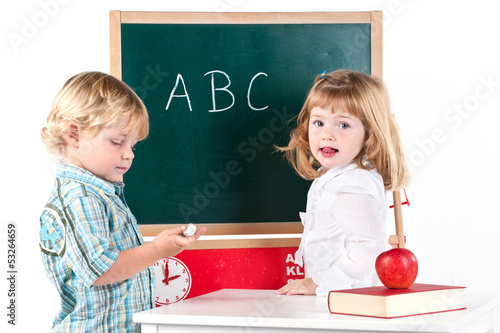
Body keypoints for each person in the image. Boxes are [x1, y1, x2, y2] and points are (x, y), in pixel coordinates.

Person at [39, 71, 206, 332]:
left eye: (133, 145)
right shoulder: (79, 197)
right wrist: (158, 250)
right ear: (74, 135)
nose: (129, 155)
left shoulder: (101, 193)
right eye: (117, 142)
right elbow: (101, 270)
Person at [277, 70, 409, 296]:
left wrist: (320, 282)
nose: (327, 134)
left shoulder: (352, 185)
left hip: (348, 303)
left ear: (370, 133)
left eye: (344, 125)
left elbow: (370, 250)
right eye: (318, 122)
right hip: (340, 300)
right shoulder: (341, 174)